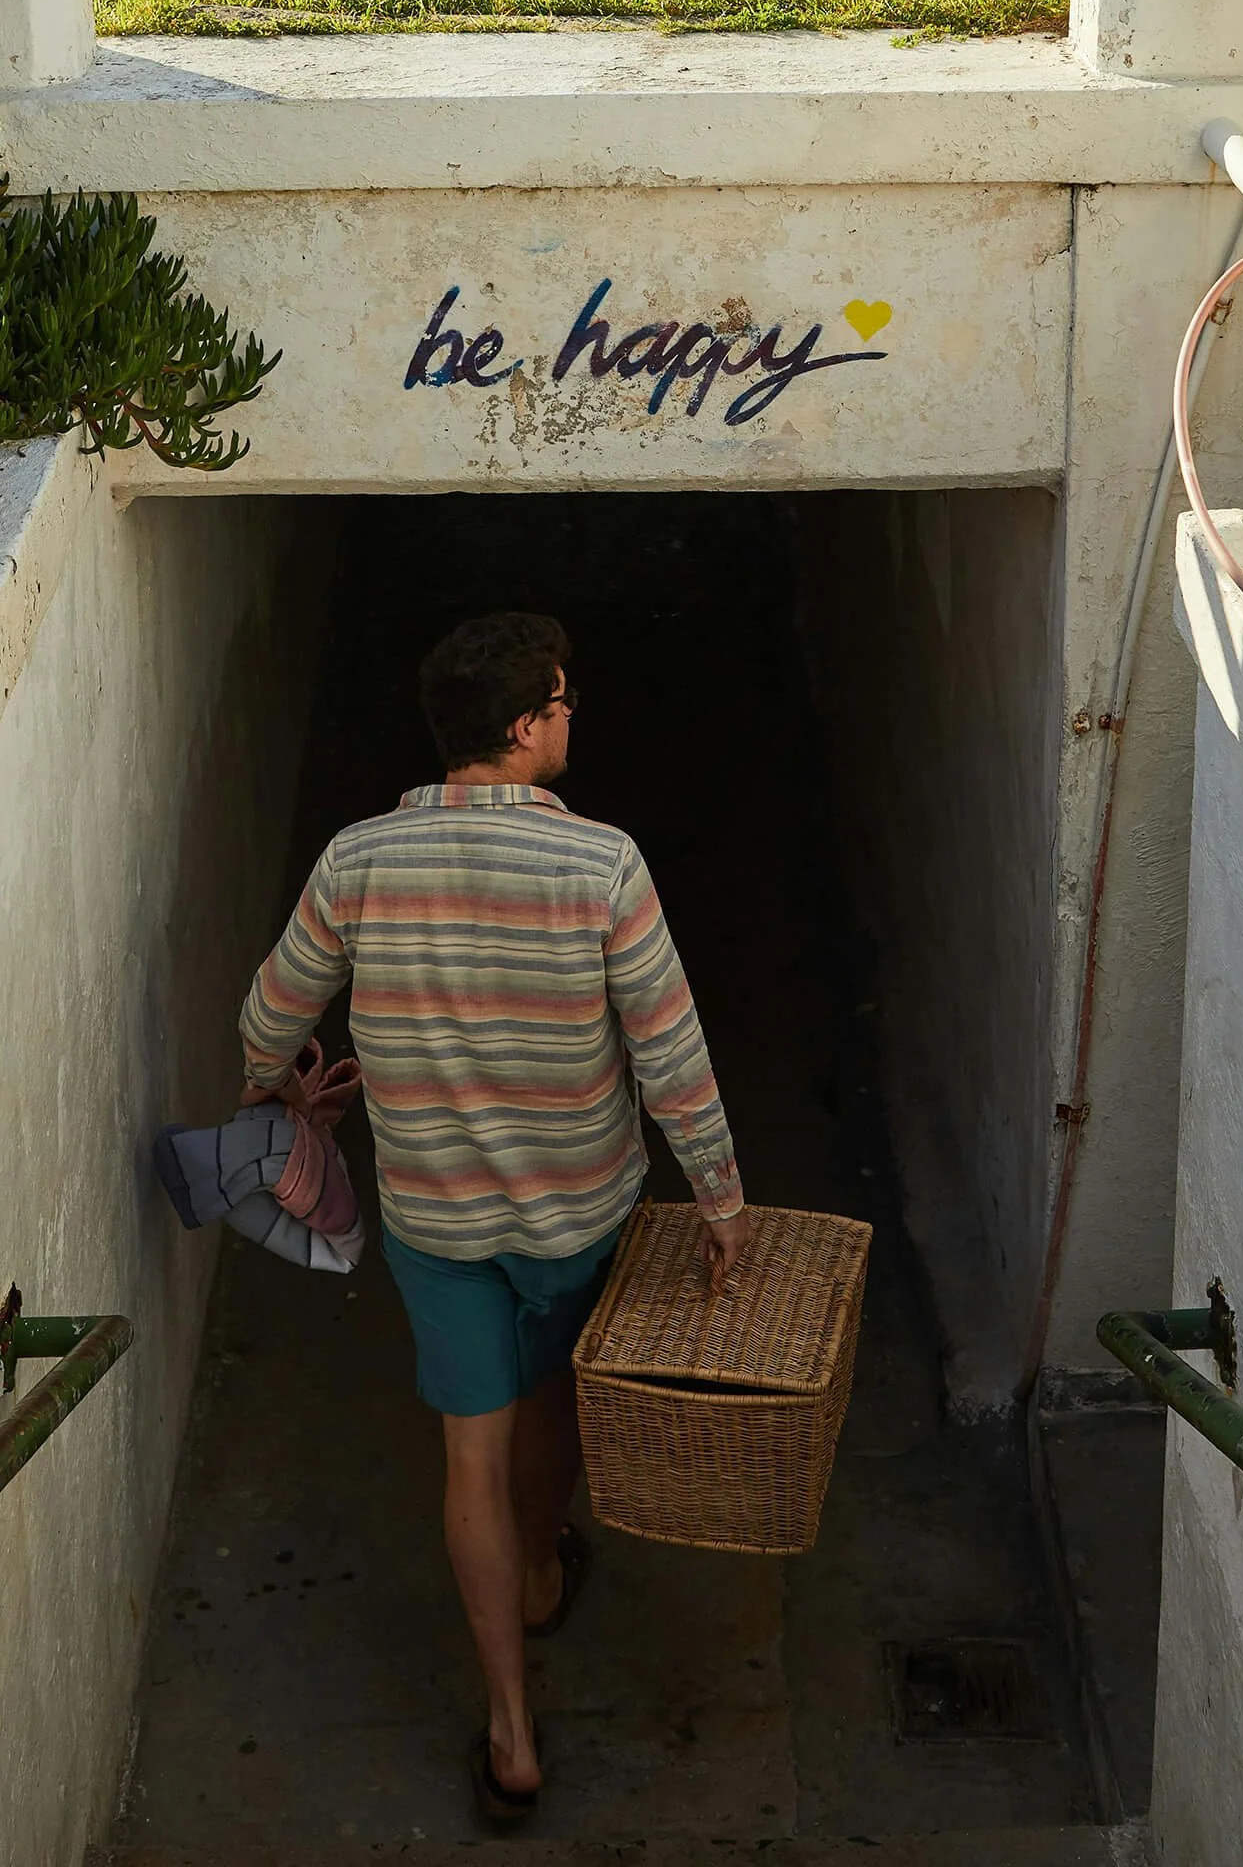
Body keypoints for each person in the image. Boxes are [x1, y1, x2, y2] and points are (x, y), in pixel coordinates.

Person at [239, 609, 746, 1827]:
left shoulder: (356, 861)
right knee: (555, 1398)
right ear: (522, 729)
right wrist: (720, 1198)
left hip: (434, 1219)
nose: (572, 717)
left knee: (469, 1445)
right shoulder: (602, 866)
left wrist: (285, 1087)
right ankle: (536, 1570)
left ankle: (510, 1730)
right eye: (562, 702)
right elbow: (668, 1053)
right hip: (578, 1211)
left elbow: (265, 1025)